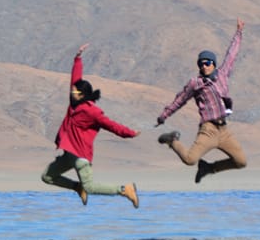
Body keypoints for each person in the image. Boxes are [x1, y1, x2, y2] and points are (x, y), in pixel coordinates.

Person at [42, 43, 141, 208]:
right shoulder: (73, 105)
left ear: (84, 95)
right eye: (72, 92)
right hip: (68, 155)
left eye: (76, 93)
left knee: (91, 187)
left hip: (80, 156)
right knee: (47, 177)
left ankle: (125, 190)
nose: (72, 95)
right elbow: (75, 80)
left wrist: (129, 133)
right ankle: (77, 187)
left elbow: (111, 125)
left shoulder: (92, 112)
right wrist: (78, 59)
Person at [155, 21, 248, 184]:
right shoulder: (195, 83)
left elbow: (232, 55)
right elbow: (180, 99)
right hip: (208, 130)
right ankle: (171, 140)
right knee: (190, 160)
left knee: (241, 162)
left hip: (224, 130)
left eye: (208, 63)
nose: (204, 66)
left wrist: (239, 32)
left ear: (214, 64)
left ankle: (208, 169)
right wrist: (164, 115)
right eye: (201, 63)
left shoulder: (223, 74)